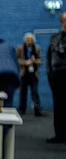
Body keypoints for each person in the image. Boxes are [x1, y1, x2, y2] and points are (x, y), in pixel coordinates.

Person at [46, 12, 66, 143]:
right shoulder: (55, 38)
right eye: (64, 21)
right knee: (58, 107)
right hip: (57, 76)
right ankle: (59, 134)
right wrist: (49, 73)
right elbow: (49, 56)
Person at [16, 33, 44, 116]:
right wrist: (25, 62)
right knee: (23, 92)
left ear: (33, 41)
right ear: (25, 40)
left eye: (31, 40)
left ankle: (37, 109)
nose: (29, 41)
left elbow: (40, 60)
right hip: (24, 73)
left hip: (33, 74)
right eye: (27, 40)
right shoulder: (20, 48)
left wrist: (34, 61)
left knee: (35, 92)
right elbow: (17, 60)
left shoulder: (37, 48)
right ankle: (22, 109)